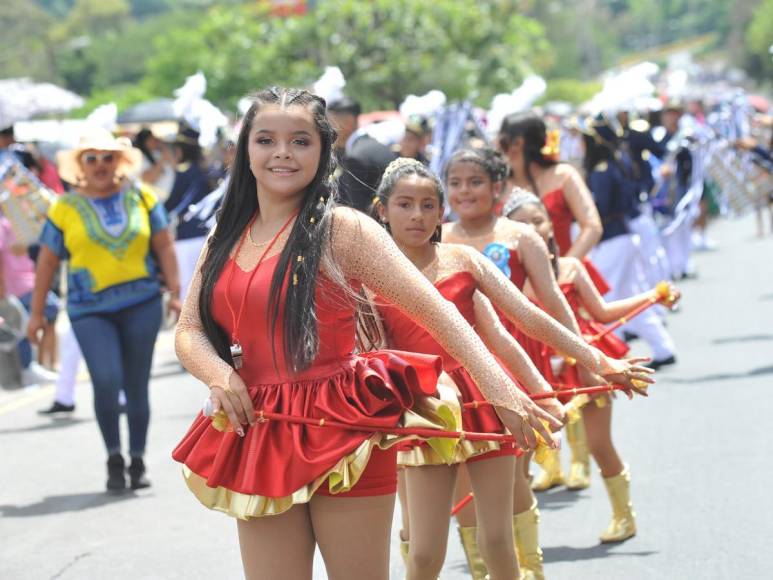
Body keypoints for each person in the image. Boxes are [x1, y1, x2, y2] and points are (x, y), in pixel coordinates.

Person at [171, 87, 569, 580]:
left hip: (344, 427)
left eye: (300, 141)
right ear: (245, 150)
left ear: (323, 151)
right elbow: (188, 330)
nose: (282, 153)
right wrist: (219, 376)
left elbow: (438, 313)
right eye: (266, 140)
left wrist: (503, 390)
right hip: (262, 428)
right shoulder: (224, 235)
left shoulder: (345, 229)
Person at [372, 158, 650, 579]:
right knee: (426, 552)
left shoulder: (463, 260)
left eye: (429, 205)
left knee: (498, 541)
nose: (417, 215)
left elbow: (527, 317)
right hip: (423, 410)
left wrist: (599, 360)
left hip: (489, 400)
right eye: (405, 204)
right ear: (382, 210)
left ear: (441, 210)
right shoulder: (368, 275)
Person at [505, 190, 679, 543]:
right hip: (531, 372)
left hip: (582, 365)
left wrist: (652, 296)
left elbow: (602, 312)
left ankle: (624, 516)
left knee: (600, 444)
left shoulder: (571, 268)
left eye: (537, 220)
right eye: (521, 225)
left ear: (551, 224)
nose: (532, 229)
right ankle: (522, 553)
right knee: (517, 464)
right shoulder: (504, 278)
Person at [27, 127, 181, 492]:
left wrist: (176, 293)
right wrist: (35, 314)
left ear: (120, 161)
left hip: (142, 302)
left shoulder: (143, 198)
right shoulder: (64, 207)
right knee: (107, 379)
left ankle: (138, 459)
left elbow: (164, 247)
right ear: (80, 164)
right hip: (88, 309)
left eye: (108, 157)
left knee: (137, 384)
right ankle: (114, 456)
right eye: (91, 158)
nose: (100, 165)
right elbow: (47, 264)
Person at [582, 126, 678, 370]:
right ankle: (663, 348)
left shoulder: (601, 171)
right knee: (630, 297)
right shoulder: (611, 165)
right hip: (622, 237)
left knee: (603, 298)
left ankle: (610, 356)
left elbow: (600, 209)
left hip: (615, 238)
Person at [499, 111, 603, 260]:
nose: (497, 147)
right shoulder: (496, 185)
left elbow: (592, 226)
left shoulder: (563, 175)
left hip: (565, 275)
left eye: (502, 141)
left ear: (517, 143)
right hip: (512, 280)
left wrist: (566, 266)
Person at [0, 212, 59, 387]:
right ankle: (29, 369)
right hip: (17, 285)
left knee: (36, 320)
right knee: (24, 324)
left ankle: (36, 366)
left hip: (26, 280)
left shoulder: (10, 218)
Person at [164, 126, 214, 302]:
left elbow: (172, 203)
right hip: (208, 234)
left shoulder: (185, 172)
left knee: (187, 288)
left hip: (187, 235)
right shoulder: (206, 170)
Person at [327, 96, 396, 212]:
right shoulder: (373, 146)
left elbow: (358, 211)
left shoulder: (356, 157)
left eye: (330, 123)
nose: (328, 129)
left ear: (348, 123)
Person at [133, 127, 175, 200]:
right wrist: (162, 160)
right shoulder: (140, 158)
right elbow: (147, 180)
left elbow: (175, 166)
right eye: (151, 139)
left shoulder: (157, 153)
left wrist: (164, 147)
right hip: (150, 201)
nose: (154, 141)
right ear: (144, 142)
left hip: (162, 200)